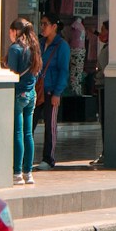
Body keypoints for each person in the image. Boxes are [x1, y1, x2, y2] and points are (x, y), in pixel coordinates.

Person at [5, 18, 41, 186]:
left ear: (15, 31)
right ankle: (28, 173)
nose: (9, 35)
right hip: (31, 94)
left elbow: (12, 73)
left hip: (19, 94)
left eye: (10, 31)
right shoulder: (34, 48)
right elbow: (37, 72)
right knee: (28, 134)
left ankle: (17, 172)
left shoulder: (16, 49)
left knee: (18, 133)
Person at [38, 14, 70, 169]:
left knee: (50, 125)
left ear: (54, 26)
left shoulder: (61, 46)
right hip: (38, 90)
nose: (42, 27)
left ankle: (48, 158)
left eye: (45, 24)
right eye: (41, 24)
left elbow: (64, 71)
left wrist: (57, 93)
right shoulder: (40, 43)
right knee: (30, 122)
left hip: (51, 91)